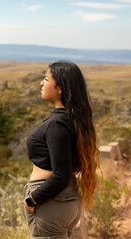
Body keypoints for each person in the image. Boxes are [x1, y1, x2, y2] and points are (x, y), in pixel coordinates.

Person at [23, 60, 99, 239]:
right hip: (67, 200)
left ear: (60, 88)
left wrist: (32, 200)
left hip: (51, 202)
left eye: (46, 79)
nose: (42, 83)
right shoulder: (72, 121)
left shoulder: (57, 125)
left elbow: (61, 175)